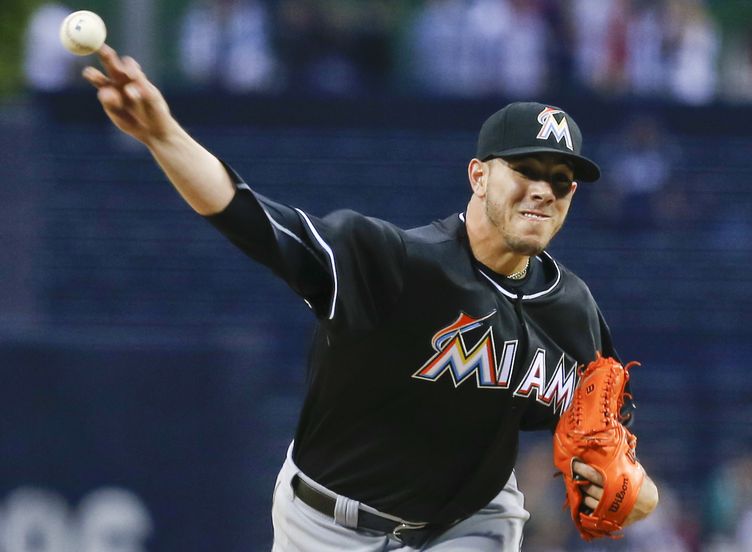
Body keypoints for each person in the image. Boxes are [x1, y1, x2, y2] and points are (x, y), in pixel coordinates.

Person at [81, 44, 659, 551]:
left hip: (470, 521)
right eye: (526, 169)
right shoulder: (398, 263)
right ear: (479, 176)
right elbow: (255, 220)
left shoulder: (571, 310)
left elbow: (611, 448)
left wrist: (639, 494)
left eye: (560, 180)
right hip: (329, 522)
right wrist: (163, 136)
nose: (543, 190)